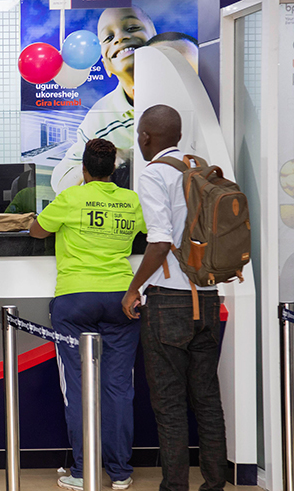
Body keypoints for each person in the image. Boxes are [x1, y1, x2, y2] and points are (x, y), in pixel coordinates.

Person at [29, 139, 146, 491]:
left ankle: (83, 472)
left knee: (78, 387)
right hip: (121, 299)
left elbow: (37, 231)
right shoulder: (131, 201)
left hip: (75, 300)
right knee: (118, 387)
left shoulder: (71, 198)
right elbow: (147, 234)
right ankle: (121, 471)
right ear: (114, 169)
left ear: (83, 168)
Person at [121, 105, 227, 491]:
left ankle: (175, 486)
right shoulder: (201, 167)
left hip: (169, 301)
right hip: (210, 295)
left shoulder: (155, 175)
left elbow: (161, 239)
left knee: (169, 403)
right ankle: (215, 483)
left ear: (146, 137)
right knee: (207, 399)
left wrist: (134, 289)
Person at [51, 7, 157, 193]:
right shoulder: (99, 118)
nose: (120, 38)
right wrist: (108, 161)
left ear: (158, 43)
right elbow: (60, 181)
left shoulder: (184, 98)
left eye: (132, 27)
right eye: (108, 38)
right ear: (106, 66)